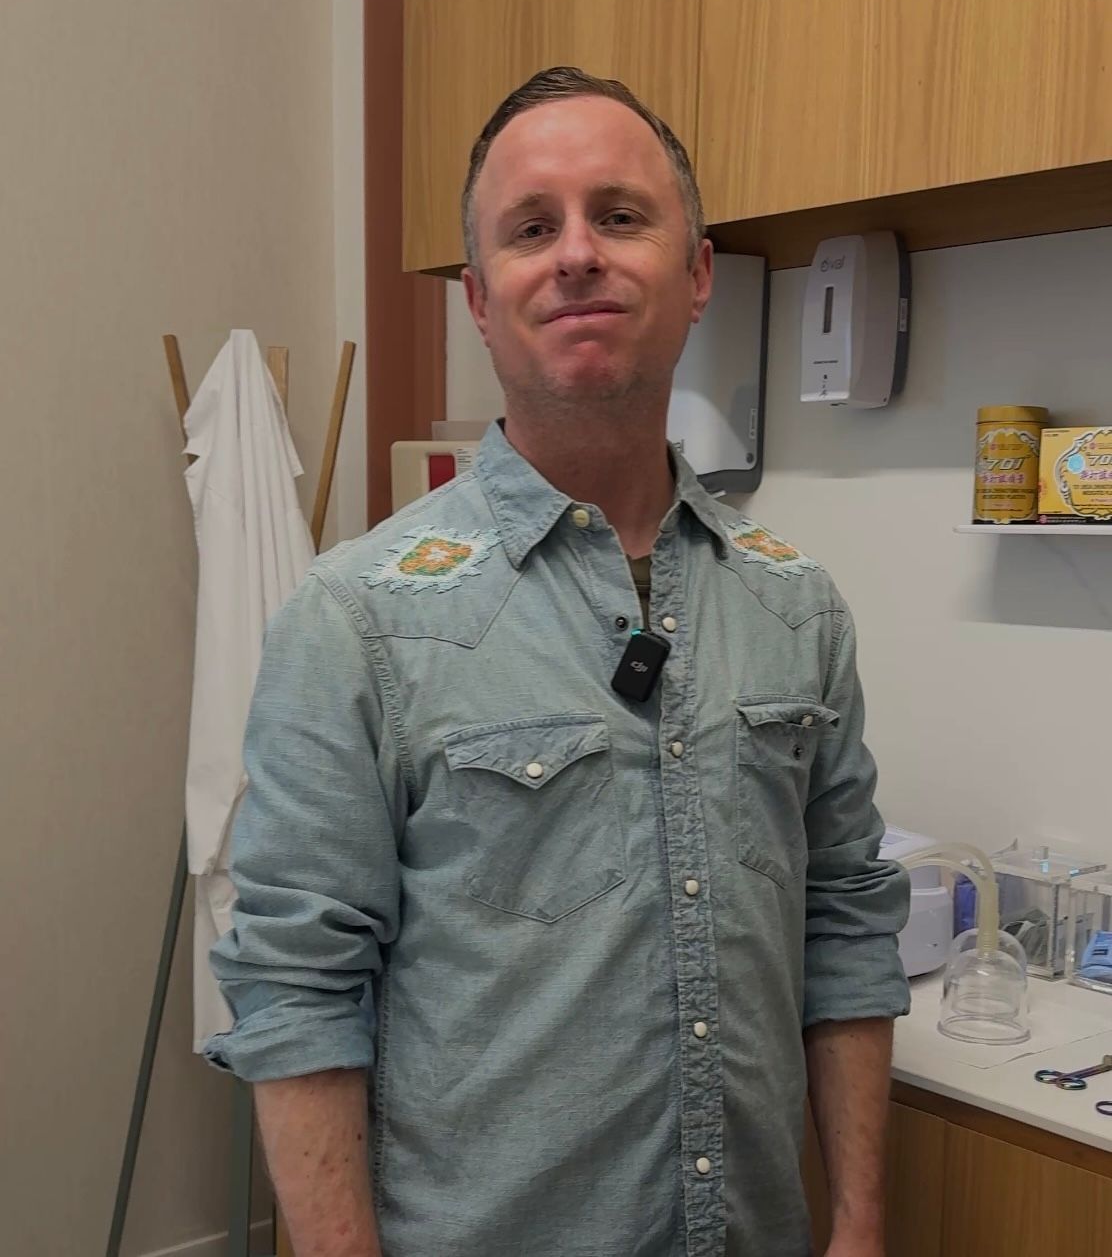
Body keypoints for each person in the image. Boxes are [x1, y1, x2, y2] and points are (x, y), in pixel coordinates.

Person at [204, 66, 910, 1257]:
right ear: (480, 300)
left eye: (618, 215)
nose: (576, 252)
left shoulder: (796, 606)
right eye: (532, 229)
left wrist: (856, 1224)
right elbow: (296, 988)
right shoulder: (356, 617)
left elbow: (843, 921)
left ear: (695, 276)